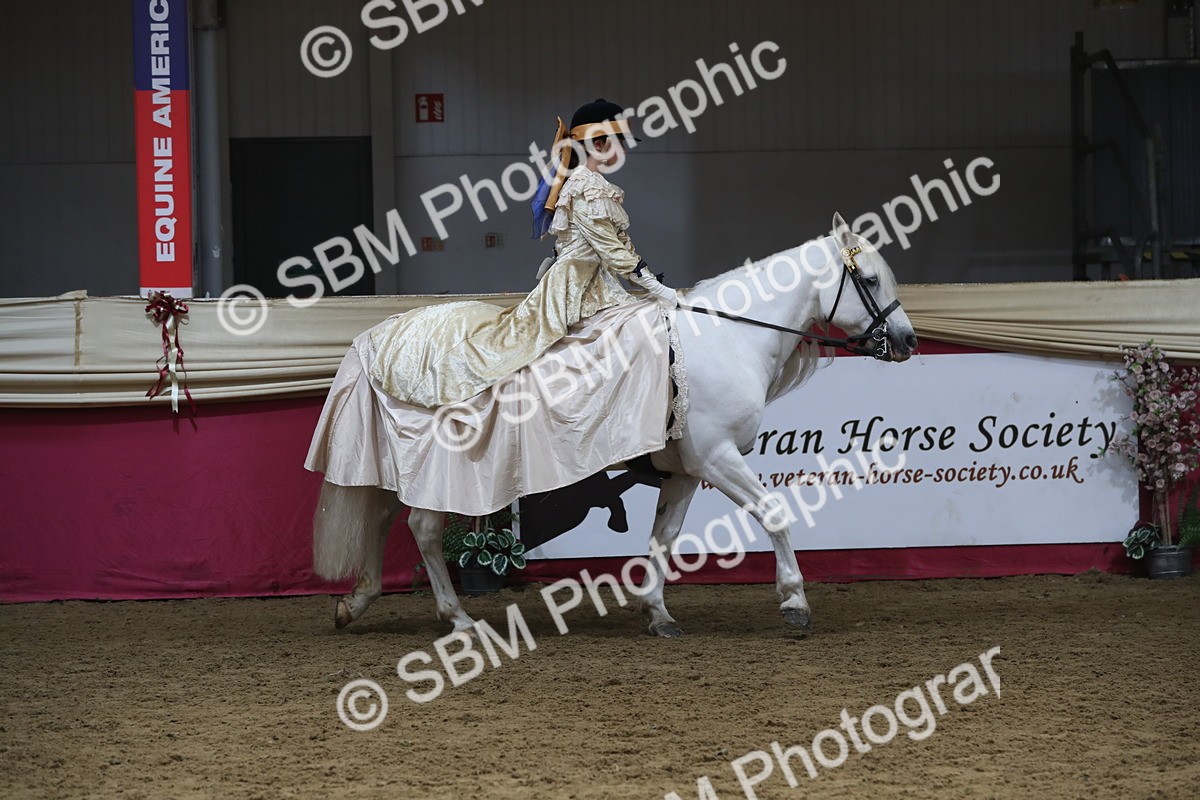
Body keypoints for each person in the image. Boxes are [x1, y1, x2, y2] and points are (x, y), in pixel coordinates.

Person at [369, 98, 677, 409]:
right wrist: (655, 287)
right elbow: (609, 248)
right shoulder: (584, 186)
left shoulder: (601, 186)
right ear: (599, 143)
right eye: (619, 143)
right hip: (575, 285)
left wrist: (646, 280)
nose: (625, 150)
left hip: (600, 282)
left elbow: (622, 243)